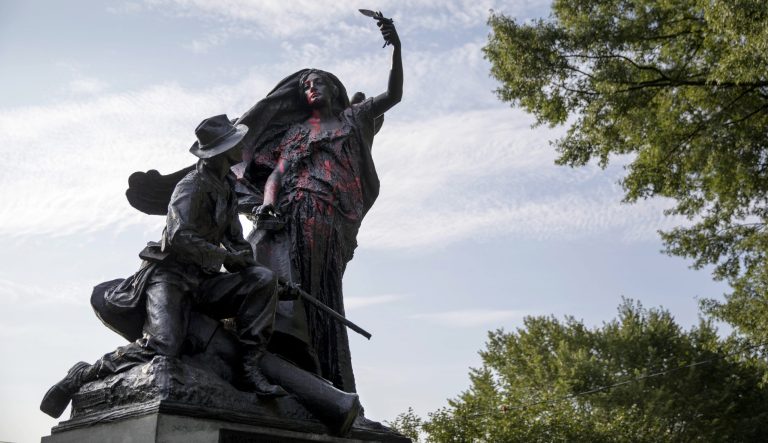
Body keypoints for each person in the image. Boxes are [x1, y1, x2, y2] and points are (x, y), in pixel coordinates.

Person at [40, 114, 283, 419]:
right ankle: (84, 374)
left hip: (203, 280)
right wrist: (224, 259)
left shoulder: (225, 188)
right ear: (223, 151)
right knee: (163, 345)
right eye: (236, 142)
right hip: (170, 277)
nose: (243, 146)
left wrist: (246, 261)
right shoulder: (191, 186)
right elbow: (180, 238)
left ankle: (249, 366)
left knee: (261, 280)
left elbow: (235, 239)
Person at [236, 18, 402, 393]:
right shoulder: (295, 133)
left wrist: (397, 49)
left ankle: (319, 370)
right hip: (292, 210)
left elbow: (394, 96)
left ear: (334, 88)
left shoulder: (352, 119)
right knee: (269, 268)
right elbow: (277, 173)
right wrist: (266, 202)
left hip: (328, 216)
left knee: (316, 287)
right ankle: (266, 349)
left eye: (317, 82)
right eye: (305, 86)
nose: (311, 89)